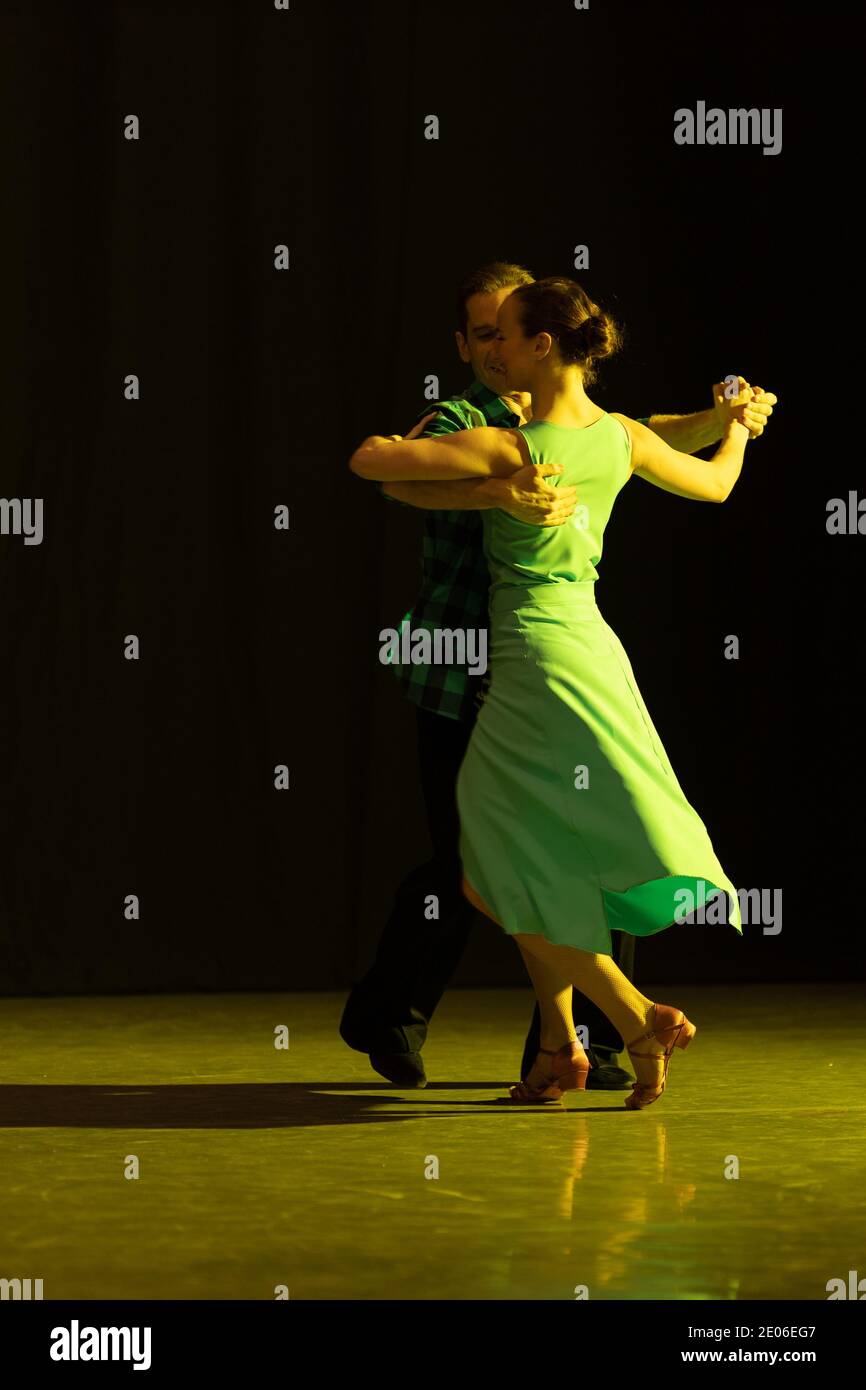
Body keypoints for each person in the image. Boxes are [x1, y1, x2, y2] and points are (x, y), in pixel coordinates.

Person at [341, 261, 775, 1095]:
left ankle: (621, 1017)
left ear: (539, 343)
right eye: (482, 333)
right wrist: (738, 431)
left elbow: (376, 466)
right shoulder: (582, 432)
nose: (495, 346)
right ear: (467, 344)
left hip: (531, 659)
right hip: (571, 651)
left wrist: (723, 415)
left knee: (495, 865)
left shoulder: (526, 436)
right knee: (534, 856)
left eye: (509, 331)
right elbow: (711, 479)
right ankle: (563, 1046)